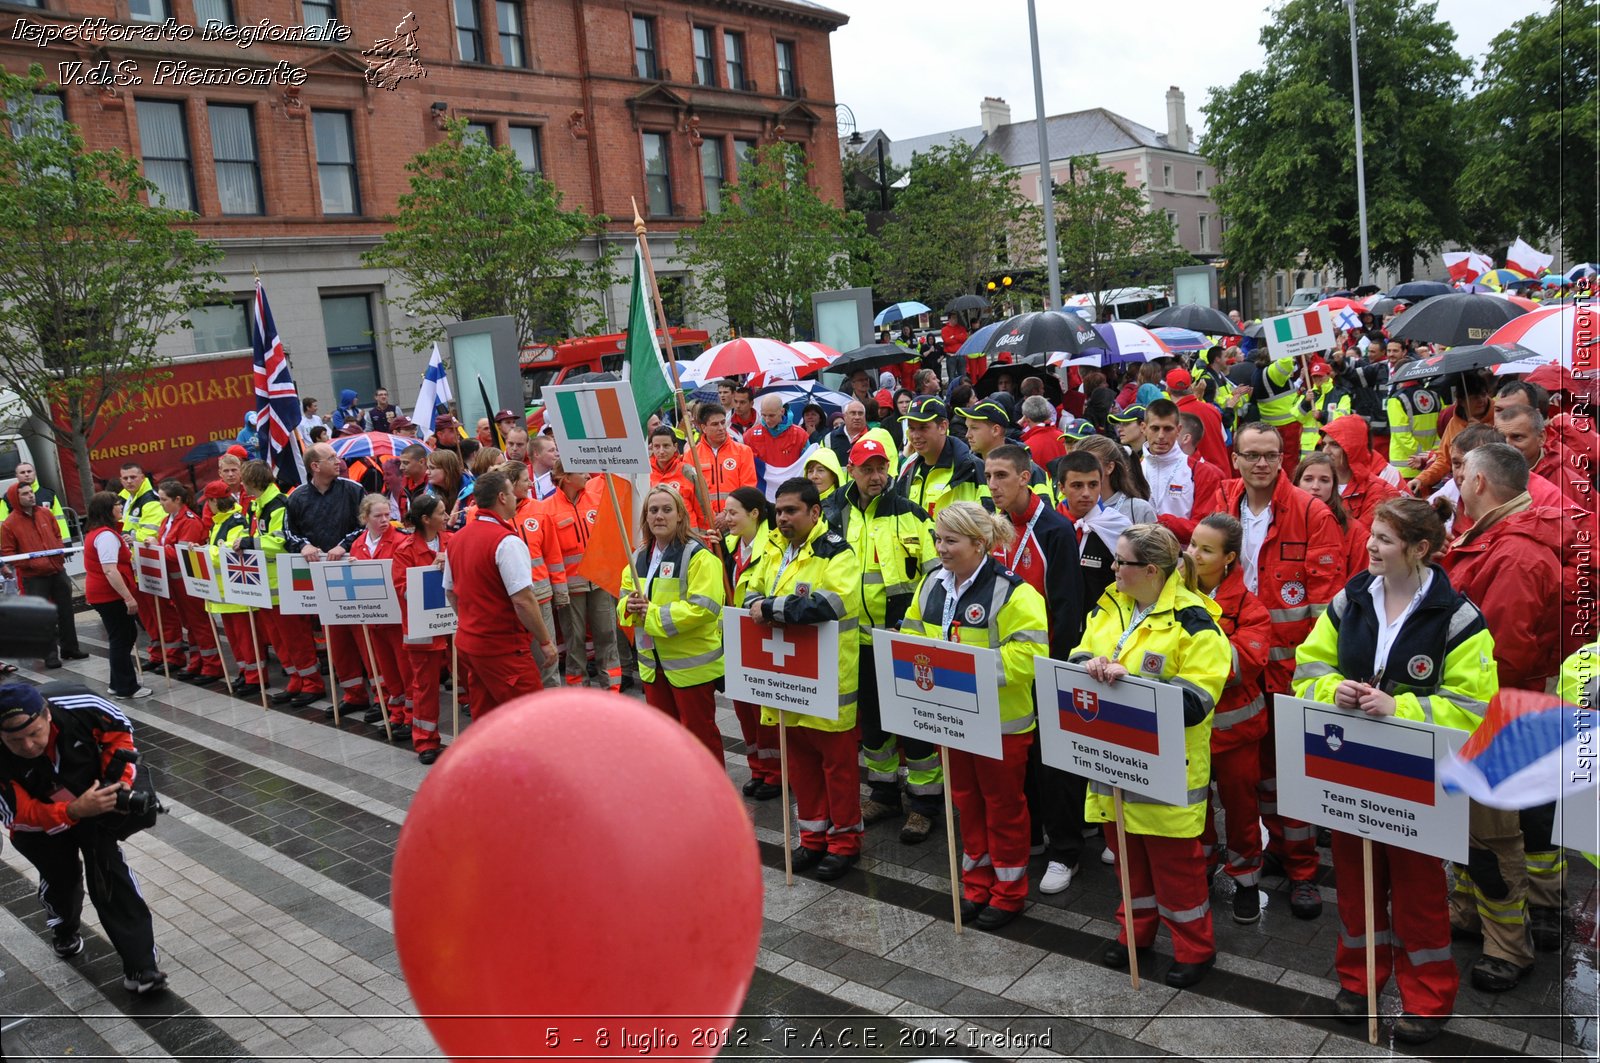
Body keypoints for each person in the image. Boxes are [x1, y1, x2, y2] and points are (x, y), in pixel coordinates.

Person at [1292, 496, 1496, 1044]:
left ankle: (1428, 997)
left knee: (1418, 894)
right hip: (1351, 769)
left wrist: (1399, 708)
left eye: (1383, 539)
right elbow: (1308, 667)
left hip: (1417, 781)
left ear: (1420, 549)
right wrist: (1328, 689)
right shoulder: (1351, 598)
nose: (1370, 545)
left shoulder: (1457, 617)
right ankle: (1359, 983)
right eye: (1373, 536)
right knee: (1357, 884)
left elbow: (1476, 707)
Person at [1071, 523, 1231, 987]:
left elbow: (1197, 700)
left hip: (1165, 771)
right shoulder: (1111, 603)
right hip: (1110, 761)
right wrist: (1091, 666)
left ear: (1153, 571)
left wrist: (1131, 684)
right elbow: (1079, 652)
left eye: (1123, 562)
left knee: (1176, 873)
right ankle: (1133, 935)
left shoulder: (1195, 621)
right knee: (1127, 864)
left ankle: (1195, 950)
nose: (1114, 568)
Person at [1441, 442, 1562, 991]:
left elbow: (1502, 653)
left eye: (1464, 472)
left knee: (1495, 837)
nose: (1458, 479)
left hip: (1500, 708)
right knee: (1469, 826)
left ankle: (1507, 947)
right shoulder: (1499, 538)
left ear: (1483, 483)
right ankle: (1470, 914)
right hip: (1494, 703)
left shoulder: (1513, 554)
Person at [898, 502, 1049, 929]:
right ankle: (976, 884)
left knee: (1003, 807)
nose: (940, 548)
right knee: (966, 803)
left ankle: (1009, 892)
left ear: (979, 544)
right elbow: (913, 632)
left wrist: (961, 670)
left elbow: (1030, 654)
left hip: (1002, 724)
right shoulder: (931, 584)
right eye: (938, 539)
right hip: (952, 717)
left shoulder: (1014, 591)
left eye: (950, 540)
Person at [0, 683, 168, 994]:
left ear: (47, 715)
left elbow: (120, 735)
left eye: (35, 733)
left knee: (109, 874)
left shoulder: (79, 703)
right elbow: (19, 815)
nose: (28, 745)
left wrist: (115, 787)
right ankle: (63, 926)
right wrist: (74, 810)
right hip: (41, 829)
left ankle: (142, 968)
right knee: (63, 881)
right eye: (14, 740)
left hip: (94, 801)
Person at [745, 478, 862, 881]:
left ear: (815, 512)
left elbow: (830, 603)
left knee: (838, 768)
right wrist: (768, 605)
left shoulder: (837, 551)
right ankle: (813, 837)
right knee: (801, 764)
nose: (783, 518)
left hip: (828, 680)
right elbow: (749, 593)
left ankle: (844, 842)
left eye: (791, 510)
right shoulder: (773, 547)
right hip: (786, 679)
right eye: (779, 511)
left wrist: (772, 608)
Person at [824, 437, 940, 844]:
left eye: (881, 468)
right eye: (867, 469)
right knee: (871, 726)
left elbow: (935, 580)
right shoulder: (830, 514)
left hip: (903, 641)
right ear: (851, 471)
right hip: (853, 642)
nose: (876, 476)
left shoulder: (912, 515)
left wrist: (912, 629)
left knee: (914, 724)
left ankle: (925, 804)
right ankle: (885, 792)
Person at [1186, 513, 1273, 923]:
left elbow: (1245, 666)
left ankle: (1246, 878)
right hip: (1190, 730)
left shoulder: (1250, 608)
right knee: (1193, 802)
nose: (1193, 554)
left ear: (1229, 558)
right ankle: (1200, 862)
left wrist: (1194, 653)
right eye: (1191, 545)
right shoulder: (1174, 598)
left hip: (1236, 731)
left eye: (1205, 549)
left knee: (1241, 808)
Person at [619, 487, 727, 758]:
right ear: (645, 517)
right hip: (653, 667)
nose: (659, 516)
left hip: (691, 667)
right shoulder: (638, 556)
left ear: (680, 515)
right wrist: (627, 607)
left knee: (699, 738)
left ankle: (709, 797)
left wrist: (651, 614)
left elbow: (705, 608)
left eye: (667, 509)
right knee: (664, 739)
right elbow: (622, 598)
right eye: (653, 510)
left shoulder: (699, 555)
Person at [443, 471, 557, 713]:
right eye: (512, 494)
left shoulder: (456, 539)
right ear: (502, 497)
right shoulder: (507, 542)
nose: (517, 498)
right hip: (503, 648)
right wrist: (545, 641)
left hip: (469, 643)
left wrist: (470, 622)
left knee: (487, 715)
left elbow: (451, 592)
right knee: (528, 714)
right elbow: (523, 601)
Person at [285, 444, 366, 713]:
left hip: (352, 571)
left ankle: (383, 696)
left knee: (363, 637)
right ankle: (353, 694)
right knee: (336, 638)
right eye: (331, 458)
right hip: (319, 575)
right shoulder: (297, 496)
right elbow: (290, 533)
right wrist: (303, 546)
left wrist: (344, 544)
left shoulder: (353, 490)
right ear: (315, 467)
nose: (338, 461)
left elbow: (365, 526)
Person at [240, 460, 326, 706]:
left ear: (252, 482)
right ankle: (297, 680)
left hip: (284, 584)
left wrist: (247, 544)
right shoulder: (260, 505)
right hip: (267, 585)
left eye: (244, 481)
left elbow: (279, 543)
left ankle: (312, 683)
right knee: (280, 639)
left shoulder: (277, 506)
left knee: (296, 638)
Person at [337, 495, 413, 742]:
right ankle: (396, 712)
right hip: (373, 620)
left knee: (406, 670)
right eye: (377, 516)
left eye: (386, 515)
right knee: (387, 671)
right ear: (365, 518)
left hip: (397, 618)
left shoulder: (401, 541)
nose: (384, 520)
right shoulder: (358, 544)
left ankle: (411, 716)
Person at [722, 487, 782, 798]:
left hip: (763, 635)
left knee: (765, 707)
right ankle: (757, 766)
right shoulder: (726, 546)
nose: (726, 518)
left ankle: (775, 771)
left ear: (754, 514)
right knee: (743, 708)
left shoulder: (774, 545)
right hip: (735, 636)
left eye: (733, 512)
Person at [2, 483, 84, 669]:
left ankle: (70, 648)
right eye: (25, 494)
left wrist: (59, 556)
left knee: (66, 611)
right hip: (34, 577)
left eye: (31, 492)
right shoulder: (9, 524)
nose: (31, 496)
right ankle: (50, 655)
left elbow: (57, 535)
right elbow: (9, 553)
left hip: (57, 570)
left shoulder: (45, 513)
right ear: (16, 498)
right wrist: (31, 565)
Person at [395, 494, 450, 764]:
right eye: (441, 512)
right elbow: (402, 590)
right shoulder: (405, 550)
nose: (447, 516)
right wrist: (432, 570)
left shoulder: (453, 541)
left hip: (454, 623)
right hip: (422, 627)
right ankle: (426, 741)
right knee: (425, 686)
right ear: (426, 520)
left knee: (468, 679)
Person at [81, 493, 151, 700]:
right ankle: (126, 687)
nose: (120, 507)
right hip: (109, 595)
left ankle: (117, 682)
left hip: (102, 594)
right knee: (122, 638)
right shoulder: (105, 536)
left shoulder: (100, 533)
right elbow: (110, 570)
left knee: (120, 637)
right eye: (116, 505)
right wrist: (128, 597)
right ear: (106, 510)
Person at [154, 481, 223, 683]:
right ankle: (197, 660)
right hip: (176, 581)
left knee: (200, 623)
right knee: (189, 624)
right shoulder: (169, 520)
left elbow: (180, 553)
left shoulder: (189, 521)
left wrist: (156, 550)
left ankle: (212, 665)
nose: (161, 503)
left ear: (177, 499)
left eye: (163, 499)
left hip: (189, 579)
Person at [202, 483, 262, 696]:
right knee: (236, 639)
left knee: (246, 638)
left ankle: (255, 678)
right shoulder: (219, 522)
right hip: (225, 593)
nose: (207, 507)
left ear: (215, 501)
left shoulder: (235, 521)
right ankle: (245, 673)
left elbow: (226, 554)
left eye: (208, 502)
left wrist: (206, 552)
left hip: (238, 591)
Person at [896, 397, 985, 519]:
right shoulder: (907, 467)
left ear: (943, 427)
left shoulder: (972, 468)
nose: (915, 436)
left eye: (923, 427)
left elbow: (989, 525)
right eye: (911, 428)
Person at [116, 463, 165, 669]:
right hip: (137, 565)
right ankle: (158, 654)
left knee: (158, 615)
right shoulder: (128, 498)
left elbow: (151, 532)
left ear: (142, 477)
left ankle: (167, 655)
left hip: (149, 564)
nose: (129, 481)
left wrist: (130, 537)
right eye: (125, 478)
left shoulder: (150, 500)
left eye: (133, 477)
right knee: (147, 616)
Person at [1293, 453, 1369, 579]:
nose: (1315, 487)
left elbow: (1359, 583)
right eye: (1308, 479)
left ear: (1334, 486)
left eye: (1324, 480)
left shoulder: (1355, 532)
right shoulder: (1278, 522)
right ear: (1297, 483)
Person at [1318, 415, 1400, 525]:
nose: (1326, 451)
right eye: (1324, 444)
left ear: (1353, 449)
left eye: (1335, 445)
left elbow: (1363, 537)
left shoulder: (1378, 492)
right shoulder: (1314, 482)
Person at [690, 403, 758, 528]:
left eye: (722, 422)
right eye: (715, 424)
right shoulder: (691, 455)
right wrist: (709, 517)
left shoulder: (743, 451)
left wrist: (727, 514)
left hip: (736, 522)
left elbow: (748, 488)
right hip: (705, 524)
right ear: (703, 428)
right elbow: (690, 493)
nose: (721, 427)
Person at [1075, 435, 1156, 525]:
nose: (1081, 469)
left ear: (1109, 467)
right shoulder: (1072, 507)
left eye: (1090, 463)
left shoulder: (1139, 509)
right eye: (1076, 464)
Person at [1141, 399, 1195, 521]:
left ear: (1178, 430)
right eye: (1155, 428)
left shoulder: (1200, 471)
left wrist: (1159, 523)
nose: (1160, 436)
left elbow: (1203, 526)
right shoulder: (1132, 470)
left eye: (1168, 429)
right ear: (1144, 428)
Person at [1167, 369, 1231, 470]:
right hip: (1222, 474)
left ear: (1168, 390)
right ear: (1190, 387)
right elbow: (1225, 440)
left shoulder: (1173, 417)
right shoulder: (1212, 409)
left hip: (1198, 476)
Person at [647, 425, 707, 531]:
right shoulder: (645, 474)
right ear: (651, 447)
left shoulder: (687, 472)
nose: (661, 451)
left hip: (688, 536)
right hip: (657, 536)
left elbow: (703, 509)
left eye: (666, 446)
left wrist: (705, 537)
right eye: (657, 446)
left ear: (675, 446)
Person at [746, 395, 812, 490]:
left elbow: (807, 465)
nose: (767, 420)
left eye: (771, 415)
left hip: (792, 492)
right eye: (764, 415)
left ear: (782, 411)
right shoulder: (750, 436)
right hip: (762, 493)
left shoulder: (800, 435)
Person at [0, 462, 69, 540]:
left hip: (49, 542)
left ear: (35, 473)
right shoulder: (8, 498)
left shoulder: (49, 494)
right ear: (17, 476)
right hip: (23, 543)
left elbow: (60, 520)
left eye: (29, 471)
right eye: (22, 472)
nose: (26, 474)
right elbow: (2, 525)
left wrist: (66, 542)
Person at [530, 434, 559, 500]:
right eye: (551, 450)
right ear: (536, 454)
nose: (557, 454)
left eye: (556, 450)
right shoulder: (521, 476)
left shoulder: (561, 476)